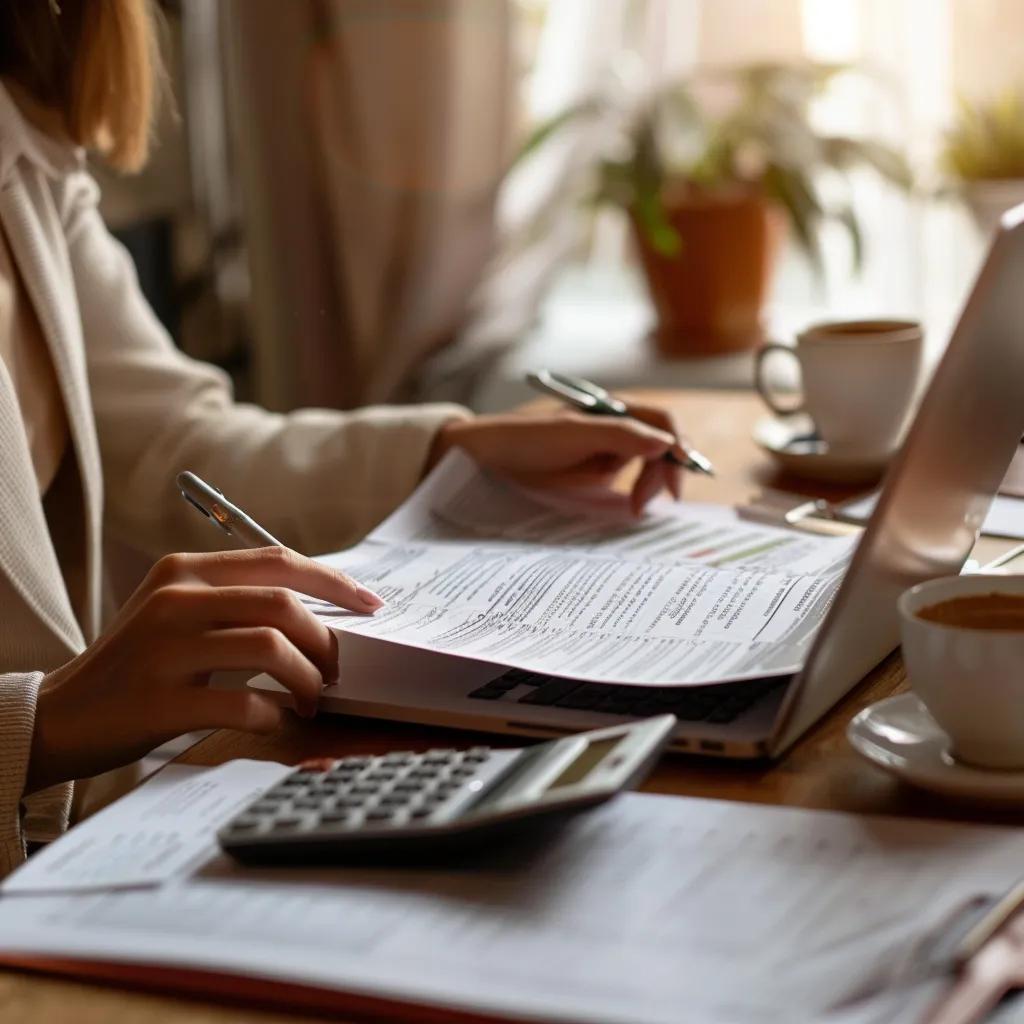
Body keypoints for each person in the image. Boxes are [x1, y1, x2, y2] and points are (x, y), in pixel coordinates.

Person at [0, 0, 686, 874]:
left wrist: (453, 450)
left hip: (104, 847)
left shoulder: (27, 139)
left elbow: (173, 443)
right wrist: (42, 722)